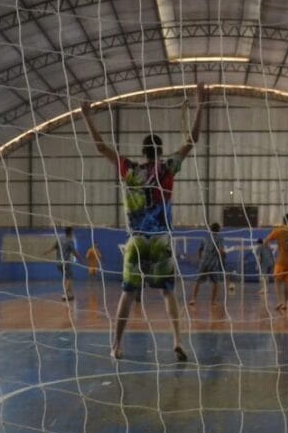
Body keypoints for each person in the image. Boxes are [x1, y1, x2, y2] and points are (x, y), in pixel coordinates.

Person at [81, 82, 205, 361]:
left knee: (128, 293)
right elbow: (193, 139)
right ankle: (177, 340)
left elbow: (101, 147)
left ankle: (116, 345)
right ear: (160, 152)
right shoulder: (168, 168)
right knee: (168, 293)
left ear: (143, 152)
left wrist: (87, 116)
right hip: (161, 240)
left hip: (136, 242)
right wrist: (200, 105)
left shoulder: (130, 170)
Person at [189, 223, 225, 307]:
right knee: (216, 282)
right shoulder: (219, 238)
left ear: (210, 229)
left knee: (197, 281)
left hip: (203, 262)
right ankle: (213, 301)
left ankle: (193, 299)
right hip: (213, 263)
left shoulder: (205, 238)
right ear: (219, 230)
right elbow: (220, 250)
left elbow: (199, 250)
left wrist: (200, 259)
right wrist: (222, 256)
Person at [44, 226, 84, 301]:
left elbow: (53, 248)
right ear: (71, 232)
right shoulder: (70, 241)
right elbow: (74, 252)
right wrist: (81, 259)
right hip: (65, 263)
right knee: (69, 277)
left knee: (67, 278)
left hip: (58, 263)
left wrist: (46, 252)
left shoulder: (60, 239)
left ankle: (70, 294)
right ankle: (65, 294)